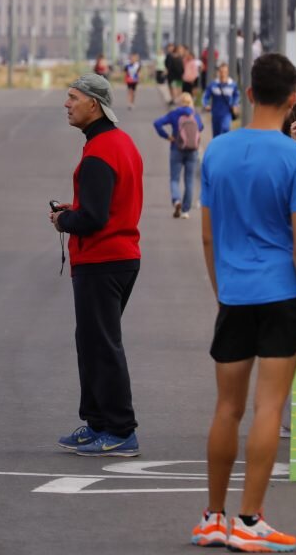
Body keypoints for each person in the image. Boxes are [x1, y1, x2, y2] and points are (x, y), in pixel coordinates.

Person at [190, 54, 296, 552]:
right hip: (283, 296)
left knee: (227, 408)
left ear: (248, 95)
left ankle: (212, 517)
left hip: (235, 294)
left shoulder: (218, 151)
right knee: (269, 407)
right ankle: (249, 519)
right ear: (293, 100)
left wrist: (223, 290)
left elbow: (207, 238)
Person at [50, 74, 143, 457]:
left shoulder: (101, 150)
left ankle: (120, 429)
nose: (66, 104)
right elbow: (107, 205)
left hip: (103, 258)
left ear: (94, 103)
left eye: (73, 98)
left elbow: (95, 218)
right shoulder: (119, 143)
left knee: (102, 344)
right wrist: (77, 211)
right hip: (119, 257)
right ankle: (98, 422)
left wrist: (64, 220)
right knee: (91, 341)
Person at [153, 93, 205, 219]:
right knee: (189, 180)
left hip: (176, 148)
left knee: (175, 179)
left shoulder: (174, 114)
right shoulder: (194, 115)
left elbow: (157, 123)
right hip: (192, 150)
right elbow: (201, 127)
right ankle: (185, 211)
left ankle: (176, 200)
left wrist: (167, 136)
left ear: (180, 102)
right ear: (190, 102)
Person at [203, 63, 240, 139]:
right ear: (218, 72)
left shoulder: (232, 84)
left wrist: (235, 104)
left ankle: (225, 148)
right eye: (221, 71)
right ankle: (217, 149)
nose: (223, 74)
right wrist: (206, 105)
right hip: (215, 114)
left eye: (225, 72)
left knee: (225, 129)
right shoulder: (213, 85)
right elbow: (205, 96)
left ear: (227, 72)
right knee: (216, 136)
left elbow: (236, 96)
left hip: (227, 113)